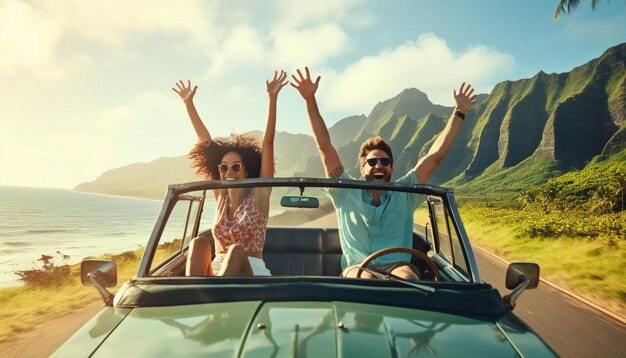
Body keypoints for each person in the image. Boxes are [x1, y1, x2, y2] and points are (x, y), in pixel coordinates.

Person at [291, 67, 477, 280]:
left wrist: (459, 112)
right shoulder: (344, 191)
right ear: (362, 168)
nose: (378, 165)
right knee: (364, 279)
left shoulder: (405, 193)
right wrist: (309, 99)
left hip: (397, 266)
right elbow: (324, 147)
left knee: (406, 277)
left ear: (392, 168)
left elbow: (434, 157)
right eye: (372, 162)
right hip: (357, 267)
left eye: (384, 161)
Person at [172, 70, 288, 277]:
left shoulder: (259, 196)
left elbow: (268, 142)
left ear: (246, 171)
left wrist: (272, 99)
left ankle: (216, 299)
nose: (229, 172)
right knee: (198, 242)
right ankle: (194, 298)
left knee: (236, 251)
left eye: (236, 167)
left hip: (252, 273)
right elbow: (205, 144)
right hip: (218, 272)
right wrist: (188, 104)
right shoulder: (221, 198)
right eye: (223, 167)